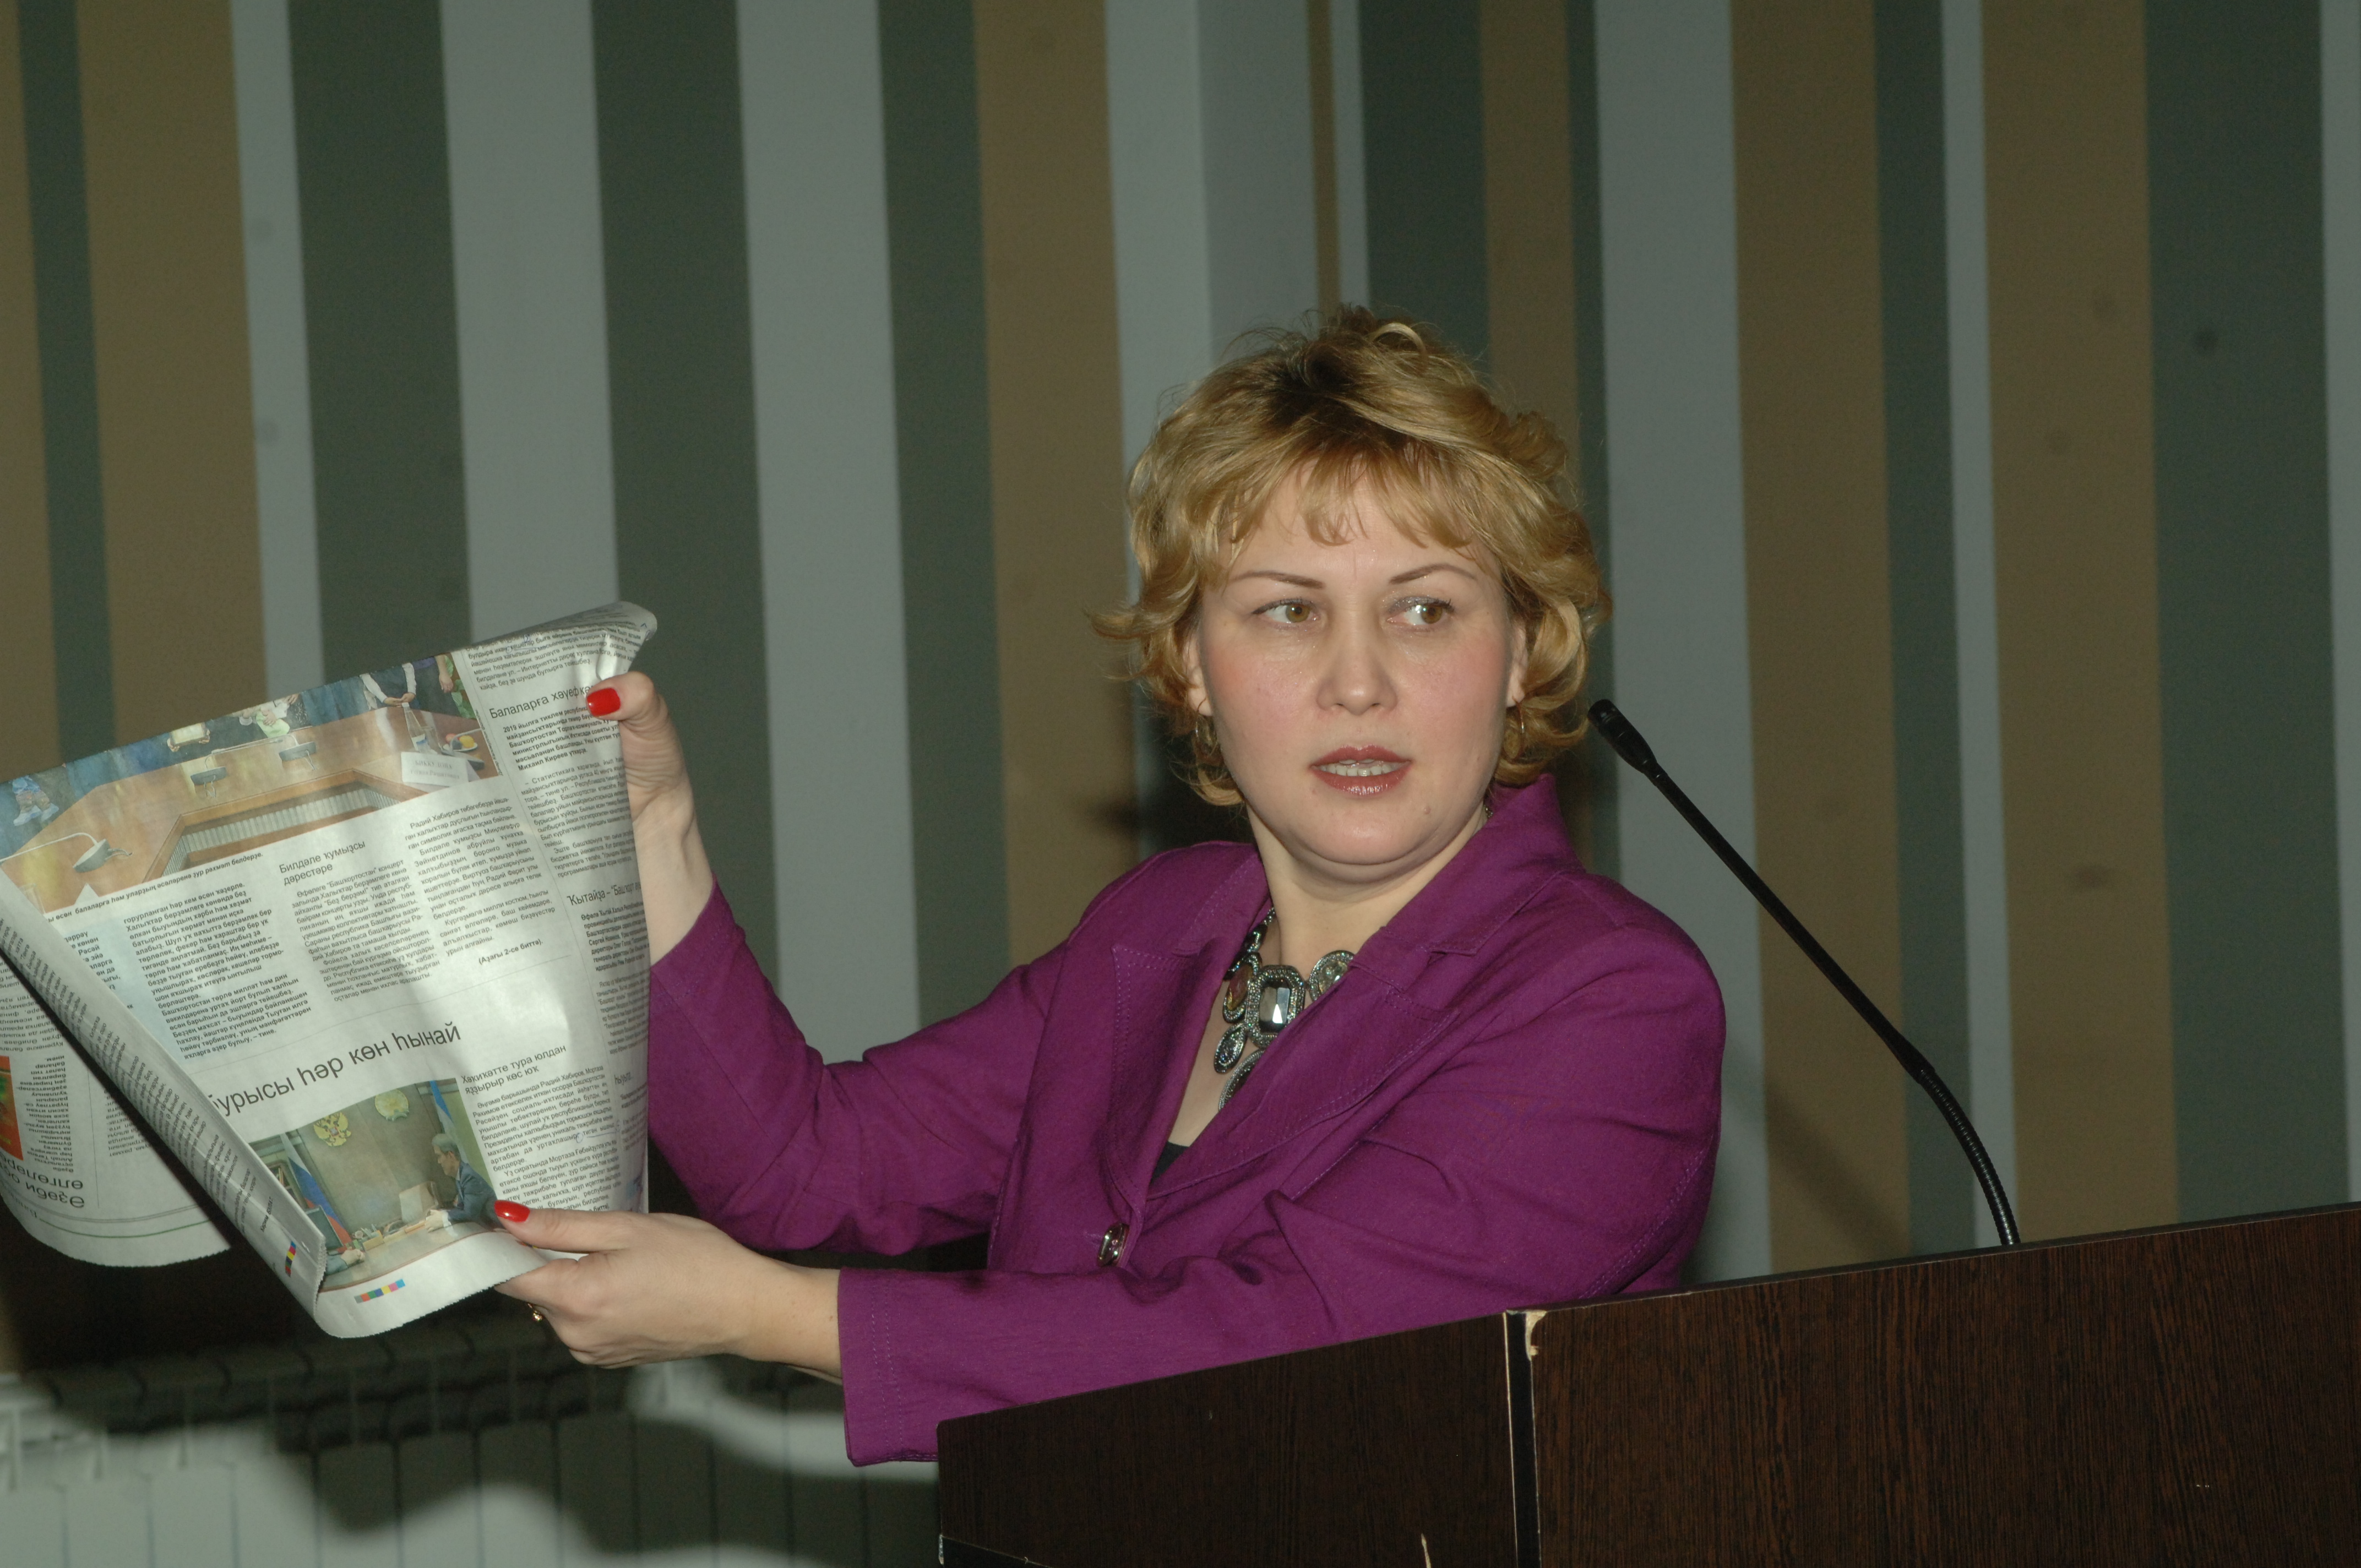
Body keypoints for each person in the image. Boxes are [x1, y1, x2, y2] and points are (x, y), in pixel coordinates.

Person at [492, 309, 1725, 1464]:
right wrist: (649, 833)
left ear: (1521, 652)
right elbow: (809, 1169)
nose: (1358, 681)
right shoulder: (1159, 927)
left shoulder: (1610, 994)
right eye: (1286, 611)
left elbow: (1293, 1350)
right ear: (1188, 663)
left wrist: (763, 1313)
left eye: (1423, 608)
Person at [433, 1133, 495, 1226]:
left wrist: (444, 1217)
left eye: (439, 1156)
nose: (439, 1162)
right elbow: (461, 1208)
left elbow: (470, 1214)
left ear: (450, 1156)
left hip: (496, 1230)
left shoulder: (469, 1177)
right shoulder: (461, 1175)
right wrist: (443, 1213)